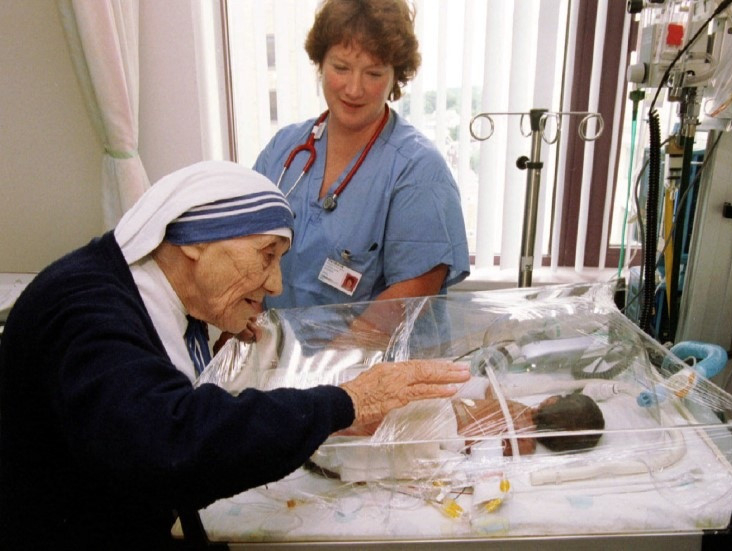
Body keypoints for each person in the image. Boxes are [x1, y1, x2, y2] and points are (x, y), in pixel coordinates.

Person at [0, 161, 470, 550]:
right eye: (266, 255)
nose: (277, 284)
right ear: (197, 241)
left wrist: (210, 321)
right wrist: (348, 402)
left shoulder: (132, 292)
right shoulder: (84, 310)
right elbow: (171, 444)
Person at [252, 0, 470, 315]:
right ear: (320, 64)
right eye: (341, 68)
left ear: (396, 77)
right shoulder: (284, 149)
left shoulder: (419, 170)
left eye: (373, 73)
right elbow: (245, 248)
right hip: (274, 343)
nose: (354, 89)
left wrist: (324, 352)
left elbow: (408, 300)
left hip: (369, 347)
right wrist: (248, 330)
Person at [308, 392, 605, 482]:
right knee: (383, 432)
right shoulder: (524, 438)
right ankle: (326, 442)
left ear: (552, 402)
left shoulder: (519, 414)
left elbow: (486, 454)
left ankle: (323, 435)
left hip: (444, 418)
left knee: (381, 422)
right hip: (444, 424)